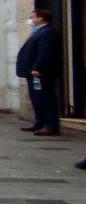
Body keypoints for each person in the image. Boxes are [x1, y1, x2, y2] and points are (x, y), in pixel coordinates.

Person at [15, 8, 61, 136]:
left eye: (32, 17)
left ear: (40, 18)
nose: (30, 20)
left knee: (45, 97)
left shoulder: (47, 32)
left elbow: (44, 52)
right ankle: (40, 122)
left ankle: (50, 125)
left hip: (40, 73)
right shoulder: (39, 31)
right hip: (34, 73)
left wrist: (37, 68)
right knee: (37, 98)